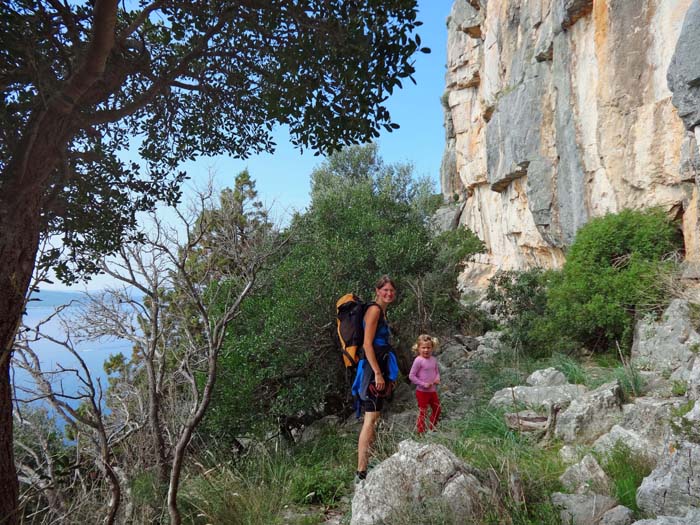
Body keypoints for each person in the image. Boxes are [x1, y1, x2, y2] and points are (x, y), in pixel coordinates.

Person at [355, 275, 397, 482]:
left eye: (391, 291)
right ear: (377, 290)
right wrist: (378, 373)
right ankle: (361, 471)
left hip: (378, 369)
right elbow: (367, 344)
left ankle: (366, 464)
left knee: (374, 417)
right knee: (370, 419)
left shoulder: (382, 312)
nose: (388, 294)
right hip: (372, 372)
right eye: (385, 290)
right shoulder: (374, 311)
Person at [408, 334, 441, 434]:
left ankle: (432, 428)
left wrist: (437, 379)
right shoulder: (418, 360)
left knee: (437, 409)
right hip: (422, 392)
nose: (426, 350)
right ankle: (420, 433)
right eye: (423, 348)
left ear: (432, 348)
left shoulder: (433, 360)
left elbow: (436, 372)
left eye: (428, 347)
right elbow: (411, 376)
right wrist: (423, 384)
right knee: (423, 412)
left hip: (432, 391)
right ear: (418, 348)